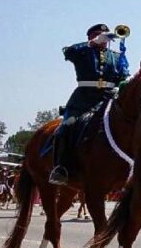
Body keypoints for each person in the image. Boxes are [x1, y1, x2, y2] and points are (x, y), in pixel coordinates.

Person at [49, 24, 129, 186]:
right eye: (99, 34)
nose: (104, 37)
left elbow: (123, 76)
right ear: (90, 36)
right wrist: (91, 43)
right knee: (65, 127)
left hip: (109, 97)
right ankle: (61, 168)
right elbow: (68, 52)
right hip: (84, 98)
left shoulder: (115, 56)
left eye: (105, 35)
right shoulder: (82, 51)